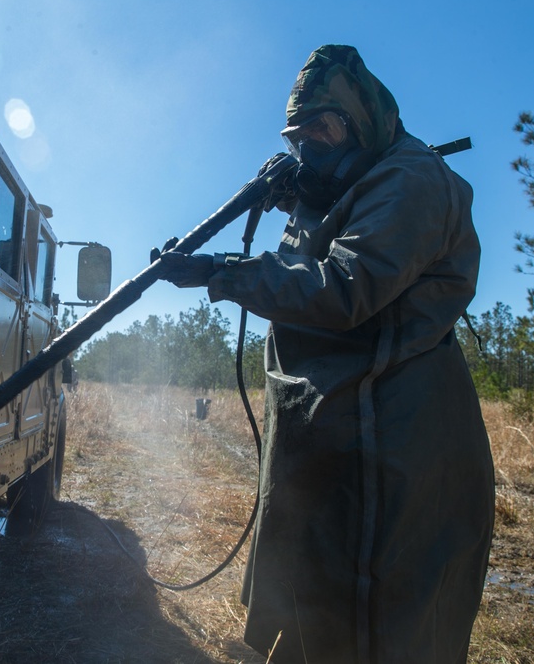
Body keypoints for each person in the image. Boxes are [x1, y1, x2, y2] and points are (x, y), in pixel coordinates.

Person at [155, 45, 495, 663]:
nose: (312, 146)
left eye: (327, 128)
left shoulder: (411, 178)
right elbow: (311, 255)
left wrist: (221, 271)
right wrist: (295, 199)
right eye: (300, 135)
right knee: (311, 601)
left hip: (393, 444)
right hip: (333, 437)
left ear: (362, 122)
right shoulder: (351, 180)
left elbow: (344, 288)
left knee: (377, 623)